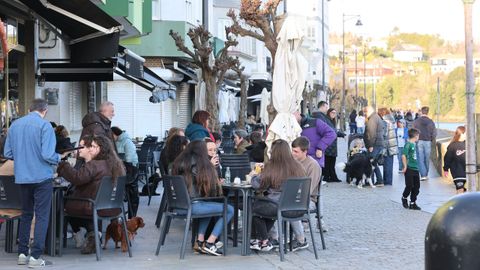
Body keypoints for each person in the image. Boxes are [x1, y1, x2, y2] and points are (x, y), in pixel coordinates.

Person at [4, 99, 65, 267]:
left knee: (26, 214)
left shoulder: (15, 125)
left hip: (22, 177)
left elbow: (8, 152)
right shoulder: (45, 126)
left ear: (30, 109)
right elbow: (47, 154)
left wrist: (24, 158)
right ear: (44, 111)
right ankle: (36, 257)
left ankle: (22, 254)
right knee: (42, 216)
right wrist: (59, 157)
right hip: (41, 178)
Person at [57, 135, 126, 254]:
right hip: (114, 207)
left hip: (92, 206)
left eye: (93, 146)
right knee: (73, 207)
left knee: (62, 206)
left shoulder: (95, 165)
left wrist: (63, 165)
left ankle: (86, 234)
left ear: (101, 149)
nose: (90, 149)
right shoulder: (116, 165)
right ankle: (92, 233)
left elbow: (77, 178)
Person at [172, 140, 234, 256]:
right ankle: (210, 243)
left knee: (209, 205)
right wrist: (210, 166)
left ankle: (200, 242)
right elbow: (209, 185)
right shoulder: (196, 164)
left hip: (179, 206)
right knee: (229, 209)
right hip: (193, 205)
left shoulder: (181, 162)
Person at [250, 139, 306, 252]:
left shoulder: (272, 167)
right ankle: (263, 240)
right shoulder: (298, 166)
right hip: (297, 207)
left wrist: (254, 175)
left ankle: (264, 241)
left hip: (278, 205)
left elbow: (258, 185)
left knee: (255, 208)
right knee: (266, 211)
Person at [289, 136, 324, 251]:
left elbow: (308, 190)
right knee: (274, 201)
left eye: (296, 151)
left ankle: (301, 239)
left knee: (289, 207)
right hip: (291, 196)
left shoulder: (313, 166)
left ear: (305, 151)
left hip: (308, 199)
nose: (293, 154)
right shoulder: (292, 162)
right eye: (292, 150)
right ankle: (275, 237)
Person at [111, 126, 139, 218]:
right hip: (120, 168)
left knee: (132, 193)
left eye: (111, 135)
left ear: (115, 134)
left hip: (130, 170)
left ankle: (132, 217)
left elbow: (129, 159)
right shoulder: (114, 142)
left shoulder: (127, 142)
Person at [363, 106, 387, 186]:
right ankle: (379, 181)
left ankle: (371, 181)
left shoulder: (372, 119)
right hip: (378, 143)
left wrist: (370, 145)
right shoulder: (376, 117)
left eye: (365, 112)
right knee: (373, 163)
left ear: (368, 111)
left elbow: (371, 133)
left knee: (370, 163)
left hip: (374, 144)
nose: (364, 114)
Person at [413, 106, 437, 180]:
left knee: (420, 158)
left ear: (421, 112)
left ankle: (423, 175)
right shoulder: (431, 121)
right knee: (427, 158)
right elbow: (434, 132)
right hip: (428, 141)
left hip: (419, 141)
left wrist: (414, 139)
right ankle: (425, 174)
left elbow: (413, 131)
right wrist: (431, 139)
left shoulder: (416, 121)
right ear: (427, 112)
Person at [322, 108, 346, 183]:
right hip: (328, 144)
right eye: (332, 112)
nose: (334, 114)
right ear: (329, 113)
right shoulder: (327, 121)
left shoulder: (332, 121)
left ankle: (332, 176)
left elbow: (334, 131)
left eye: (335, 113)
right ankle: (327, 176)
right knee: (328, 161)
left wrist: (342, 135)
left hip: (333, 144)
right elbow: (332, 131)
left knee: (332, 161)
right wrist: (341, 135)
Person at [401, 128, 421, 210]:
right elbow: (403, 155)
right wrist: (405, 166)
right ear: (416, 136)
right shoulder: (408, 144)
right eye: (418, 136)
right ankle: (404, 197)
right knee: (409, 186)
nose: (418, 137)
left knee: (416, 187)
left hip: (415, 168)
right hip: (409, 168)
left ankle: (413, 203)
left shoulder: (415, 144)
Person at [443, 126, 466, 194]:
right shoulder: (452, 146)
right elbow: (447, 158)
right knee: (460, 190)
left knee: (463, 191)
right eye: (465, 133)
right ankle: (460, 203)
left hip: (468, 172)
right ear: (460, 134)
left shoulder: (468, 144)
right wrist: (446, 169)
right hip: (457, 172)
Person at [378, 108, 398, 186]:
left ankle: (387, 182)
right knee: (389, 165)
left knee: (387, 166)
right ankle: (388, 181)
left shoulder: (385, 122)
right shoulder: (391, 121)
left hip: (387, 147)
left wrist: (383, 149)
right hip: (392, 147)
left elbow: (384, 136)